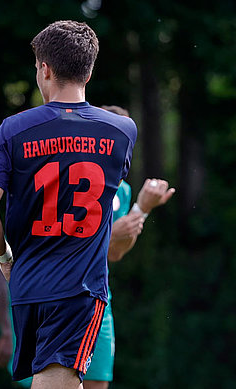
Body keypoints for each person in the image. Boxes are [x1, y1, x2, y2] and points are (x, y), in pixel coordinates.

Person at [0, 20, 137, 389]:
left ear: (44, 68)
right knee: (58, 381)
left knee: (61, 380)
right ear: (90, 70)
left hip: (27, 285)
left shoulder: (13, 128)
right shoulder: (123, 130)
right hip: (80, 286)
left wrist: (4, 258)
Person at [83, 105, 175, 389]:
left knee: (97, 381)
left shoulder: (121, 188)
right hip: (65, 295)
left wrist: (141, 210)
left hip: (100, 298)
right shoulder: (79, 178)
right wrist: (116, 232)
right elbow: (65, 247)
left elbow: (115, 253)